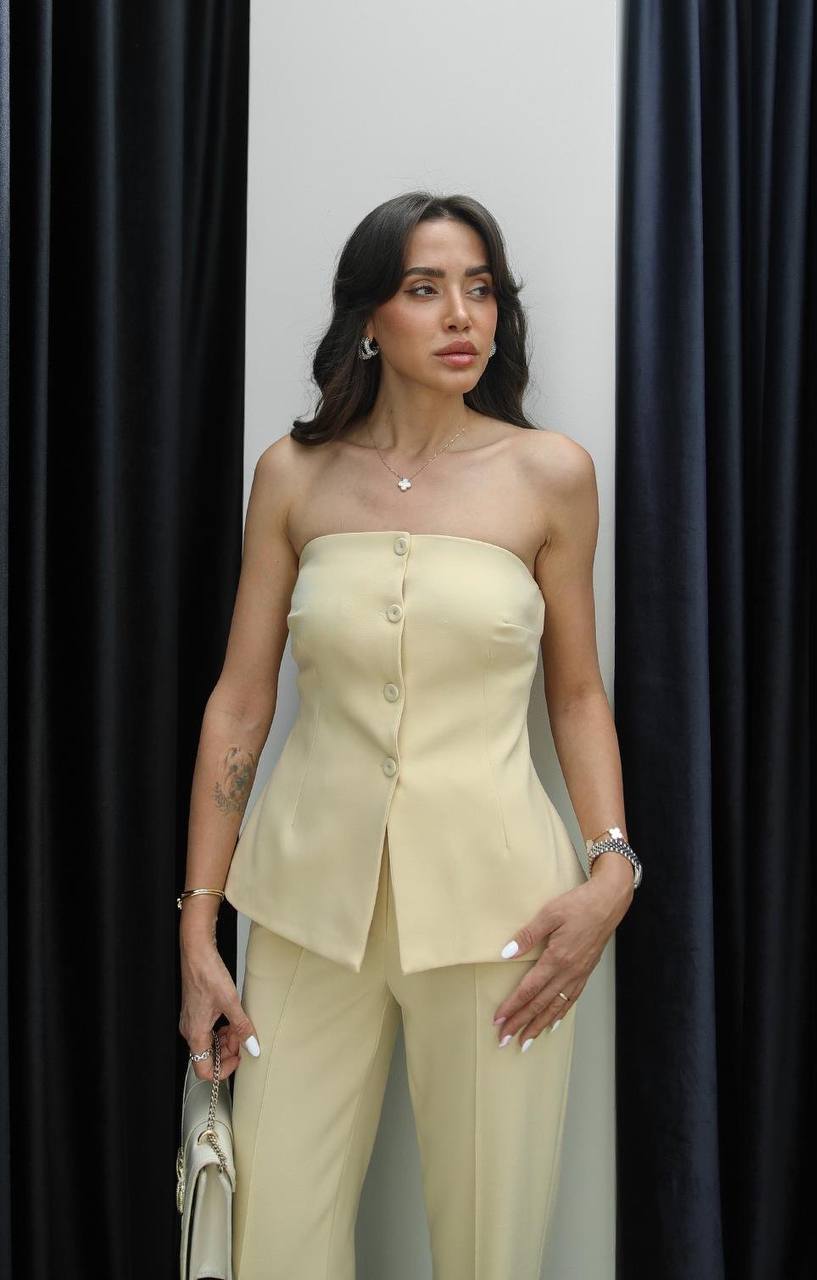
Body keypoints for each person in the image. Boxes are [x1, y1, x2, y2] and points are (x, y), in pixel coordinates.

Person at [178, 190, 641, 1279]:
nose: (460, 315)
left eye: (480, 289)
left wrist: (611, 868)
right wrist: (199, 928)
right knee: (272, 1243)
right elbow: (240, 700)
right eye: (425, 288)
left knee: (490, 1249)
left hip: (504, 922)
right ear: (367, 319)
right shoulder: (291, 475)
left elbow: (577, 695)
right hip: (301, 912)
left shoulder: (551, 475)